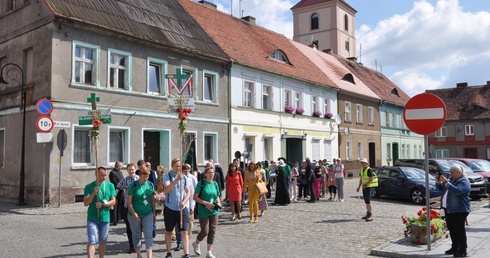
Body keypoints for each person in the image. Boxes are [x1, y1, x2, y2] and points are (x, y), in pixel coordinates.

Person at [437, 165, 471, 257]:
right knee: (452, 229)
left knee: (459, 230)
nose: (450, 174)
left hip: (459, 210)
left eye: (452, 173)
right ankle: (455, 247)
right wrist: (439, 182)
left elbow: (457, 191)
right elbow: (444, 189)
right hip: (449, 209)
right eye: (450, 172)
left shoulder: (464, 181)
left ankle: (463, 250)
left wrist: (446, 182)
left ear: (459, 172)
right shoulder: (452, 180)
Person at [83, 167, 116, 258]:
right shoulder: (89, 187)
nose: (104, 177)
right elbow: (86, 203)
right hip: (92, 217)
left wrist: (103, 205)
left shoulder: (110, 185)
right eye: (102, 175)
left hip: (105, 217)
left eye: (105, 175)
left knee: (103, 241)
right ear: (96, 175)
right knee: (92, 241)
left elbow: (113, 201)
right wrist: (94, 192)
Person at [163, 158, 192, 258]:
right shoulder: (167, 176)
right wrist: (176, 180)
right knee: (169, 231)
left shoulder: (185, 178)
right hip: (170, 208)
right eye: (176, 166)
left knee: (184, 231)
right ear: (172, 166)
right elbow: (167, 189)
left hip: (182, 208)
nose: (178, 168)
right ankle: (169, 253)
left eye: (179, 166)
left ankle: (186, 253)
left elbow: (188, 192)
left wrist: (184, 202)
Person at [127, 166, 156, 258]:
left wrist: (154, 212)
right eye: (144, 177)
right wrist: (134, 212)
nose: (145, 179)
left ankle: (149, 255)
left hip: (148, 212)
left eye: (147, 177)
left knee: (148, 233)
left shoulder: (150, 184)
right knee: (136, 234)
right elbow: (129, 202)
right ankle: (139, 254)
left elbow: (152, 199)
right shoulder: (133, 185)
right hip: (134, 214)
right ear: (139, 175)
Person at [192, 167, 221, 258]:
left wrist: (218, 203)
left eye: (213, 172)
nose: (212, 174)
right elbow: (195, 197)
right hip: (203, 210)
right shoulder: (201, 184)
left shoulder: (215, 184)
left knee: (212, 230)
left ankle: (209, 252)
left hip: (214, 211)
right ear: (205, 174)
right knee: (205, 231)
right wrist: (205, 203)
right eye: (209, 172)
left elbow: (217, 196)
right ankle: (196, 243)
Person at [117, 163, 140, 254]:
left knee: (138, 227)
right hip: (128, 207)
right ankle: (132, 246)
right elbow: (117, 189)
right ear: (127, 170)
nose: (131, 171)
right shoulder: (124, 180)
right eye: (129, 170)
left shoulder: (139, 179)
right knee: (129, 227)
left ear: (135, 170)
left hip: (138, 207)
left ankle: (138, 245)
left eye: (133, 169)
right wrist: (111, 198)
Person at [174, 163, 198, 252]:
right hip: (177, 205)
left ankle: (186, 240)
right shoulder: (178, 178)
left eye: (188, 170)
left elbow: (193, 193)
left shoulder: (192, 179)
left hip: (187, 205)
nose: (187, 172)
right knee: (178, 225)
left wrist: (192, 205)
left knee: (187, 225)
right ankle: (179, 242)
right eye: (185, 170)